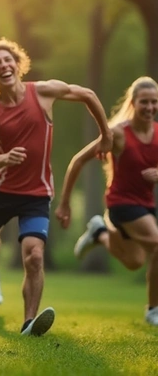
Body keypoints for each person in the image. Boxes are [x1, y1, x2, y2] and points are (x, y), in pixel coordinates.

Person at [0, 38, 113, 336]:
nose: (3, 65)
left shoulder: (44, 92)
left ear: (17, 64)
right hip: (2, 190)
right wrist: (5, 158)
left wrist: (106, 135)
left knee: (34, 256)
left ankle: (28, 323)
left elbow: (87, 94)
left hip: (36, 194)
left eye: (7, 59)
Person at [56, 76, 158, 326]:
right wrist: (65, 202)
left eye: (155, 102)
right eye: (144, 102)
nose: (150, 107)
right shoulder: (117, 134)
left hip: (146, 204)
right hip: (121, 203)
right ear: (133, 103)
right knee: (157, 245)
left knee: (134, 262)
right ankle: (153, 310)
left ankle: (99, 232)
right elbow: (78, 161)